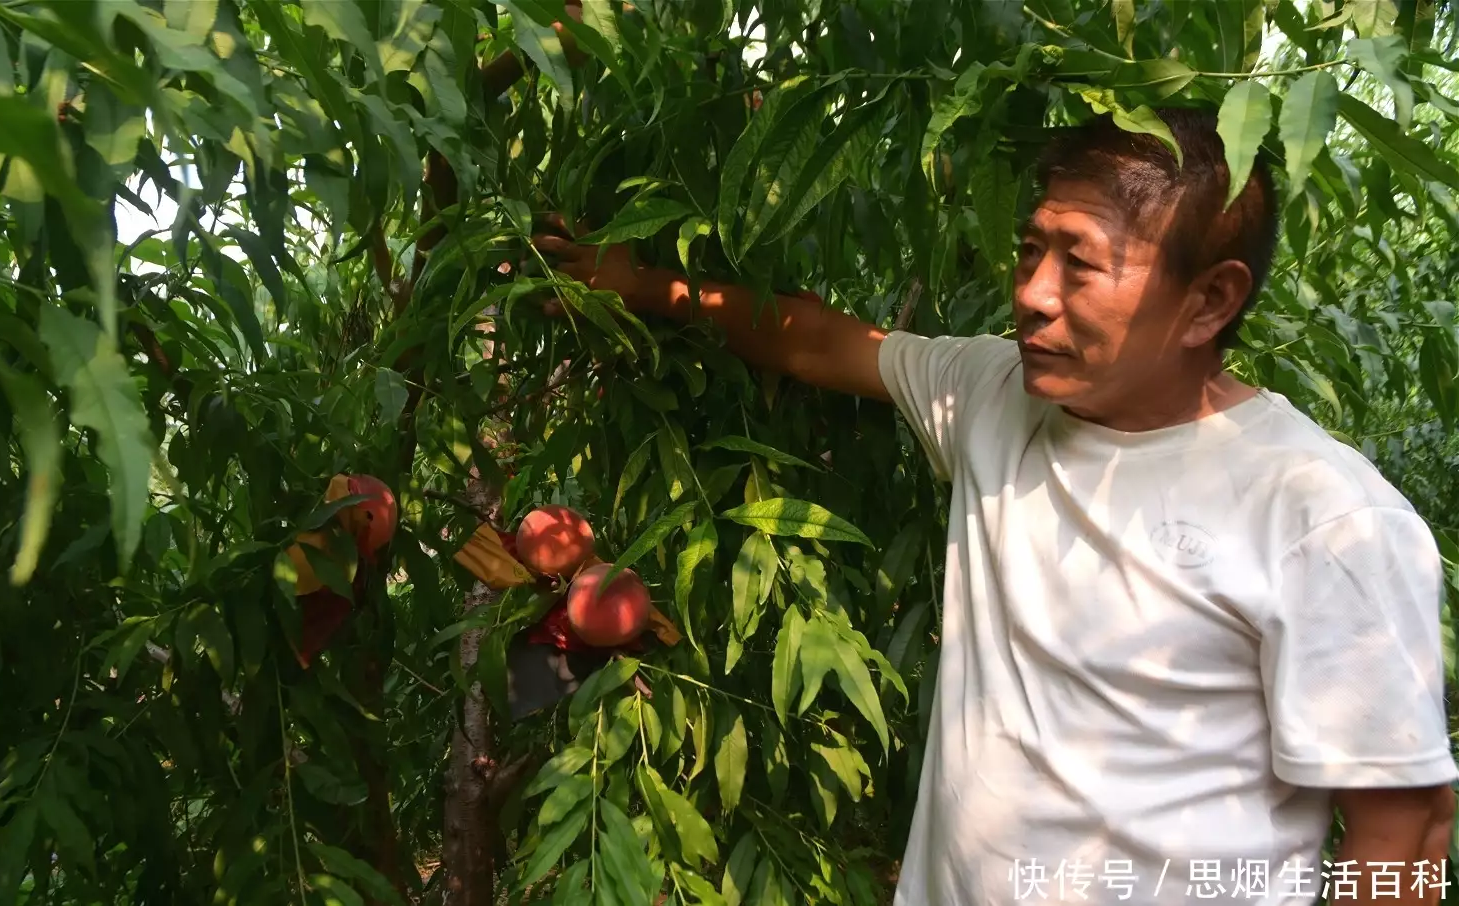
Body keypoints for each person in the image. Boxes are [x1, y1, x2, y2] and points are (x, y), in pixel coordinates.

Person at [532, 108, 1458, 905]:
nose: (1030, 295)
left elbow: (1407, 834)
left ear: (1209, 301)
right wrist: (650, 287)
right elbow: (818, 340)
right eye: (1030, 247)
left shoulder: (1320, 517)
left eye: (1081, 265)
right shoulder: (996, 396)